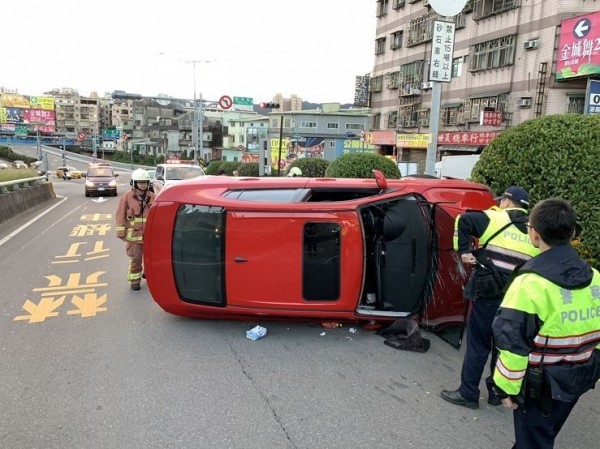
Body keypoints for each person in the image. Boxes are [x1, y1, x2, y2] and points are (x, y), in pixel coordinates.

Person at [492, 198, 600, 448]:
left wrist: (506, 389)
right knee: (540, 437)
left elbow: (512, 343)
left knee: (534, 441)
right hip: (577, 379)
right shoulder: (594, 278)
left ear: (534, 234)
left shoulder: (530, 283)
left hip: (540, 387)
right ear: (572, 233)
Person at [441, 186, 540, 409]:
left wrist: (464, 251)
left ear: (505, 201)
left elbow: (463, 220)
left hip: (488, 295)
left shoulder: (494, 218)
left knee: (478, 345)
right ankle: (497, 393)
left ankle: (468, 393)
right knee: (503, 346)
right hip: (517, 300)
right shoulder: (534, 231)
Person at [115, 169, 155, 291]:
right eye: (140, 182)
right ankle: (135, 280)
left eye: (145, 182)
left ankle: (148, 274)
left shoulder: (152, 196)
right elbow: (120, 214)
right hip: (134, 235)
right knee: (136, 258)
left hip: (149, 235)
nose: (143, 185)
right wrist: (121, 232)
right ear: (134, 183)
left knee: (150, 258)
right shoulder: (127, 197)